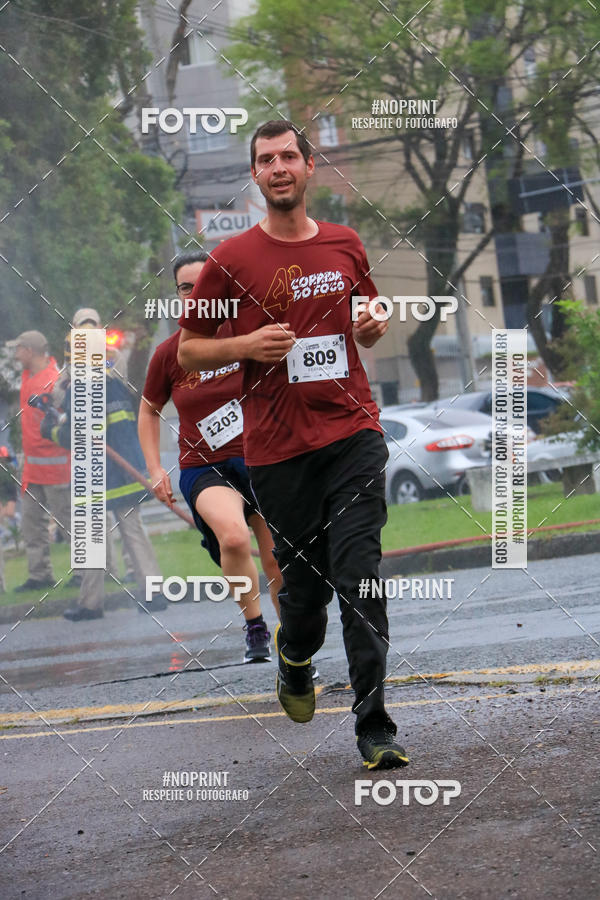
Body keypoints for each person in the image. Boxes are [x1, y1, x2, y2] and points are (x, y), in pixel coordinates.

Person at [177, 120, 409, 769]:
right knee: (304, 597)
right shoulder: (230, 260)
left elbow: (369, 315)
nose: (278, 167)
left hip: (352, 431)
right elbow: (191, 348)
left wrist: (371, 324)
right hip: (278, 453)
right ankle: (295, 653)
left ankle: (375, 727)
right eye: (266, 159)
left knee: (361, 576)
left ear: (309, 167)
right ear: (256, 175)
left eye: (289, 156)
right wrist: (245, 346)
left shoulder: (344, 242)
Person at [139, 250, 281, 662]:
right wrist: (154, 468)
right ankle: (255, 625)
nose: (195, 293)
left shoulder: (248, 335)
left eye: (202, 284)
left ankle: (292, 640)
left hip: (262, 459)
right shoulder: (170, 353)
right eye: (186, 287)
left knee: (277, 561)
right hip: (204, 467)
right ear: (178, 295)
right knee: (233, 537)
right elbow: (148, 411)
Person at [43, 328, 166, 621]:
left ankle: (91, 604)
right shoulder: (114, 382)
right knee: (134, 532)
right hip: (126, 470)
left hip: (96, 476)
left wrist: (51, 428)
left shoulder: (80, 387)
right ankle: (155, 593)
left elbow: (77, 435)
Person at [8, 330, 71, 593]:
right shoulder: (27, 377)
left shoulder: (53, 380)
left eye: (18, 349)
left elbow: (63, 425)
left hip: (57, 468)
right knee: (31, 526)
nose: (15, 354)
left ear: (29, 351)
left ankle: (86, 573)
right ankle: (40, 575)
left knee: (70, 524)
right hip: (32, 471)